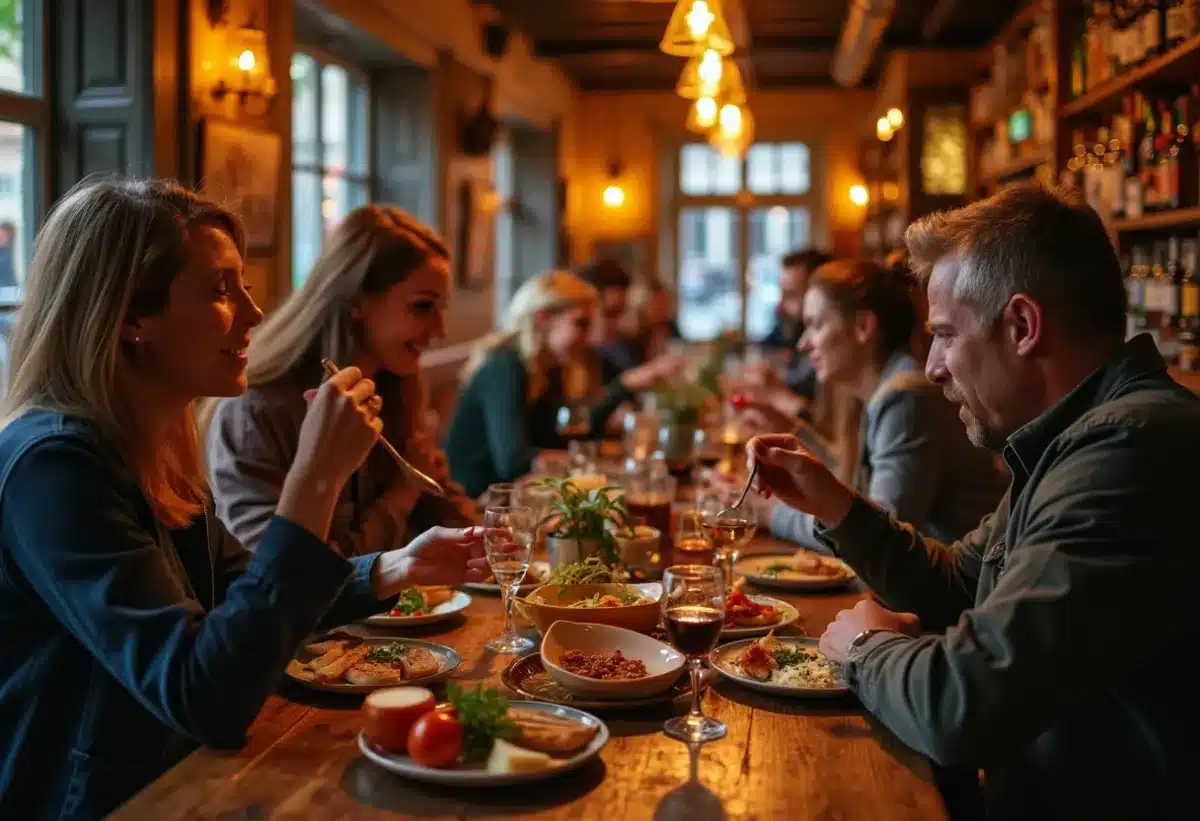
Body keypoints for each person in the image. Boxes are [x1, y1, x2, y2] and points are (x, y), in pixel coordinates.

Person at [0, 179, 488, 820]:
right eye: (220, 290)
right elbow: (205, 695)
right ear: (130, 317)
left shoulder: (158, 445)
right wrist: (316, 478)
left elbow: (242, 594)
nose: (256, 316)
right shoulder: (55, 468)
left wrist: (394, 569)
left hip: (183, 776)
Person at [747, 182, 1200, 821]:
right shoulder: (1073, 435)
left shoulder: (1129, 450)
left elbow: (967, 702)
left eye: (945, 334)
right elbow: (959, 580)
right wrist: (837, 506)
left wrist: (864, 649)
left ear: (1021, 325)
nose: (931, 366)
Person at [205, 205, 475, 556]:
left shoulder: (397, 386)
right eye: (423, 307)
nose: (441, 330)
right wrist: (401, 497)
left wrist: (481, 529)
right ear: (356, 300)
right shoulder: (257, 409)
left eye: (443, 309)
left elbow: (438, 514)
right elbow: (277, 577)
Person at [720, 259, 1005, 549]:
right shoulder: (888, 385)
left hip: (958, 589)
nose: (803, 344)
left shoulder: (905, 397)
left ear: (863, 326)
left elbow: (877, 536)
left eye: (816, 325)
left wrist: (772, 514)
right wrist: (789, 430)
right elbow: (854, 488)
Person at [445, 270, 676, 498]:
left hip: (515, 498)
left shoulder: (546, 368)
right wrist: (592, 463)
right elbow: (513, 461)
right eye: (581, 324)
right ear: (542, 319)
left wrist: (624, 387)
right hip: (474, 506)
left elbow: (569, 436)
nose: (589, 337)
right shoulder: (505, 367)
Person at [755, 248, 834, 404]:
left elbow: (820, 422)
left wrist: (774, 392)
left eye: (791, 295)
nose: (781, 306)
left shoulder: (829, 351)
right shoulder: (796, 334)